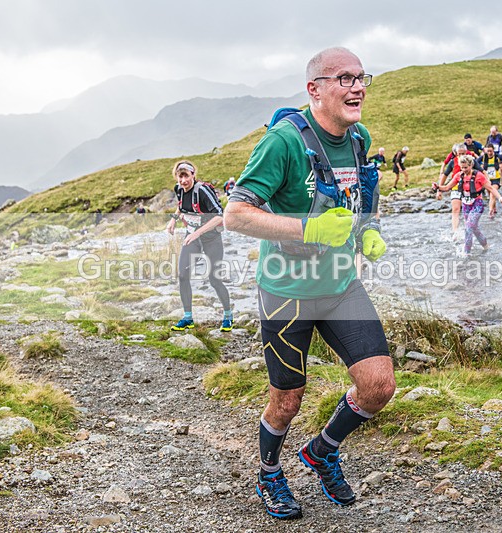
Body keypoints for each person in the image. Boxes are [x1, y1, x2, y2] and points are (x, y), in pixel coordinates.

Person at [224, 47, 395, 521]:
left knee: (378, 386)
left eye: (362, 77)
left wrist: (369, 230)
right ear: (314, 90)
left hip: (340, 286)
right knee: (287, 400)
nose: (357, 86)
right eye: (343, 78)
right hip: (286, 292)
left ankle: (321, 450)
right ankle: (268, 471)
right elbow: (235, 215)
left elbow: (360, 194)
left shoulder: (359, 138)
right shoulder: (283, 142)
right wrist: (309, 230)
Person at [166, 160, 233, 331]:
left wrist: (198, 232)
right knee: (183, 275)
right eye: (180, 177)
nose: (183, 181)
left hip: (211, 239)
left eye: (186, 176)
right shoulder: (178, 189)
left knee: (214, 279)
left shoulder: (202, 191)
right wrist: (173, 220)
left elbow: (219, 216)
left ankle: (227, 316)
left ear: (193, 175)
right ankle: (188, 317)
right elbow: (181, 207)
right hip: (192, 237)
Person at [438, 154, 502, 254]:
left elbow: (491, 188)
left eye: (466, 167)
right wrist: (437, 187)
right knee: (474, 229)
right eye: (462, 168)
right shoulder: (459, 176)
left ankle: (466, 253)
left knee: (469, 227)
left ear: (471, 165)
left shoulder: (479, 176)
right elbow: (446, 187)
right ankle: (486, 246)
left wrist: (500, 198)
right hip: (466, 206)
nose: (464, 170)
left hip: (477, 204)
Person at [434, 143, 483, 239]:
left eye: (463, 153)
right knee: (456, 209)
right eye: (459, 154)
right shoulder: (453, 162)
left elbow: (482, 172)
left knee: (467, 212)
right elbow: (445, 175)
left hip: (469, 189)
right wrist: (439, 190)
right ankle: (456, 232)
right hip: (456, 188)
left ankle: (469, 230)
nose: (461, 156)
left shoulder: (471, 161)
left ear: (466, 152)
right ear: (456, 154)